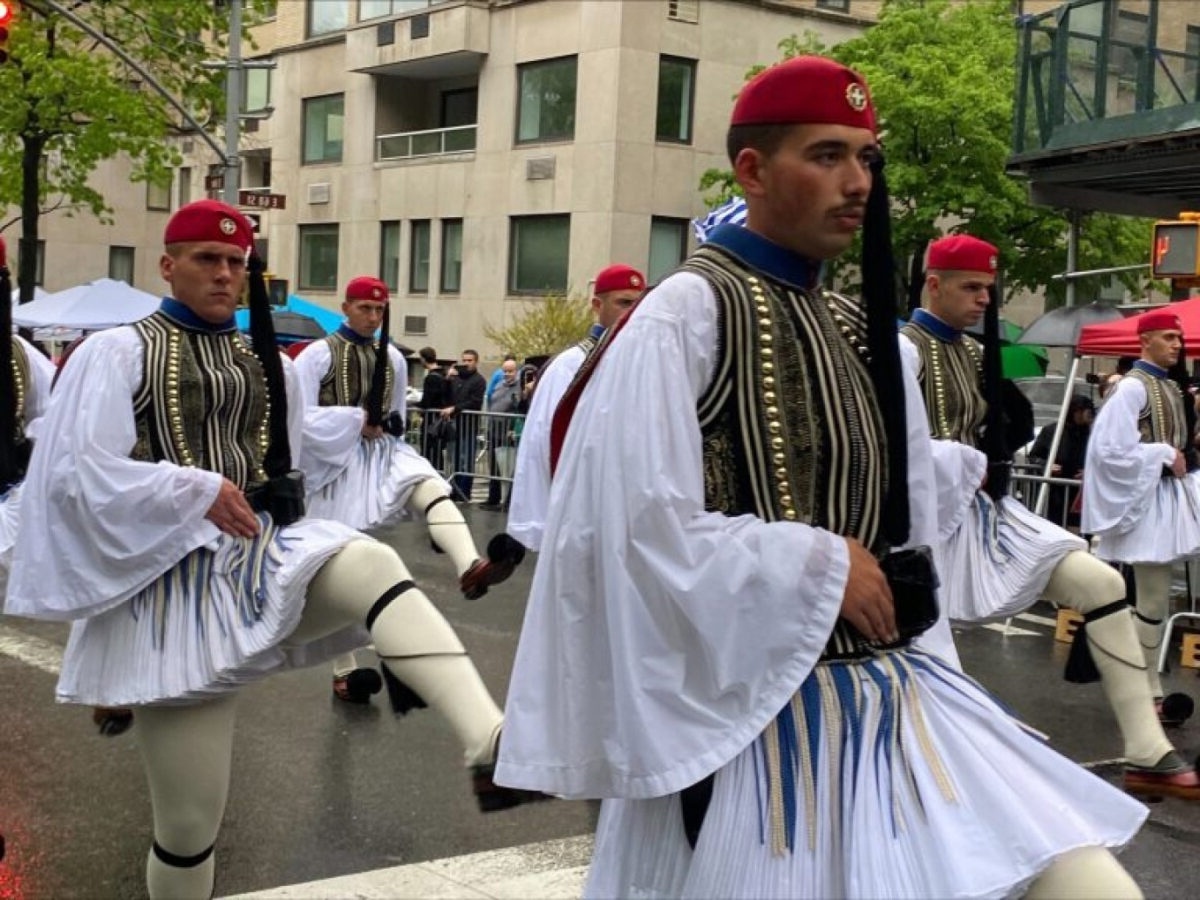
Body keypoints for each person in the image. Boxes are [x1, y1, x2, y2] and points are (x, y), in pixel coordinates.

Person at [495, 57, 1145, 898]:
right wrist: (820, 564)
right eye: (827, 155)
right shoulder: (685, 312)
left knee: (1083, 877)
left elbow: (905, 499)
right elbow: (629, 528)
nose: (856, 182)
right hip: (756, 719)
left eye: (866, 159)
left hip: (891, 690)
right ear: (753, 171)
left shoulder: (856, 322)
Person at [4, 201, 540, 900]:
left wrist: (353, 432)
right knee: (190, 828)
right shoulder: (118, 352)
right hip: (163, 599)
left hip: (253, 559)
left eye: (235, 262)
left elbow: (303, 452)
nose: (225, 274)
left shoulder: (272, 365)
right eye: (207, 259)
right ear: (168, 266)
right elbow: (75, 472)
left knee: (372, 563)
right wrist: (189, 488)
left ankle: (488, 741)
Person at [901, 234, 1200, 801]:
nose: (985, 299)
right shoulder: (904, 350)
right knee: (930, 667)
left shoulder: (970, 351)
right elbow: (898, 450)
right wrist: (971, 462)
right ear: (933, 285)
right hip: (919, 529)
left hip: (978, 513)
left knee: (1102, 581)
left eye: (989, 289)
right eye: (971, 287)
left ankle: (1145, 749)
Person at [293, 277, 525, 703]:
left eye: (379, 310)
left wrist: (392, 425)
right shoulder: (316, 357)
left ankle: (469, 564)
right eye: (365, 308)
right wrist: (349, 423)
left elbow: (399, 412)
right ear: (345, 306)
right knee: (344, 563)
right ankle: (344, 670)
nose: (373, 317)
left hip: (379, 453)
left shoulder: (395, 360)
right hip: (333, 463)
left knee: (428, 482)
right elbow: (299, 419)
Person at [1083, 309, 1200, 734]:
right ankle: (1142, 690)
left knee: (1153, 599)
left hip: (1163, 498)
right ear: (1145, 340)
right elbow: (1109, 451)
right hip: (1147, 501)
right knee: (1150, 600)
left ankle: (1145, 688)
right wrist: (1164, 455)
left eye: (1178, 338)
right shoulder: (1133, 388)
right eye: (1168, 337)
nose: (1177, 344)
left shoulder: (1166, 386)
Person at [505, 263, 645, 550]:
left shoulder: (644, 362)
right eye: (624, 303)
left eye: (638, 305)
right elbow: (542, 442)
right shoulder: (569, 366)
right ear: (597, 305)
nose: (632, 313)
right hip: (578, 515)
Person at [1027, 393, 1095, 526]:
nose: (1083, 416)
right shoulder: (1052, 431)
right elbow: (1034, 456)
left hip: (1081, 493)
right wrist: (1046, 465)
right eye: (1079, 411)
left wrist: (1091, 471)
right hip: (1056, 493)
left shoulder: (1093, 433)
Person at [480, 358, 524, 512]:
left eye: (510, 371)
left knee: (507, 466)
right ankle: (493, 498)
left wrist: (512, 428)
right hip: (494, 428)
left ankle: (507, 500)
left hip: (508, 430)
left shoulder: (519, 387)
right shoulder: (499, 384)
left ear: (516, 371)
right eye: (505, 371)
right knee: (494, 465)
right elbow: (491, 401)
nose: (507, 374)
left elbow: (518, 407)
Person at [441, 349, 486, 501]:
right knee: (454, 460)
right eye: (464, 360)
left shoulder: (479, 380)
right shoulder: (456, 378)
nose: (466, 363)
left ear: (476, 361)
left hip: (469, 425)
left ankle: (464, 492)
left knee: (466, 460)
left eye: (470, 360)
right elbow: (447, 397)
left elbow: (475, 402)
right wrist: (447, 380)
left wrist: (455, 408)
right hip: (454, 425)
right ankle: (455, 490)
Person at [416, 346, 451, 468]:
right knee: (437, 452)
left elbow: (427, 401)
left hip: (431, 420)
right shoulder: (444, 374)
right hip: (441, 418)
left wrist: (415, 404)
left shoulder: (431, 378)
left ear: (424, 359)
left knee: (428, 450)